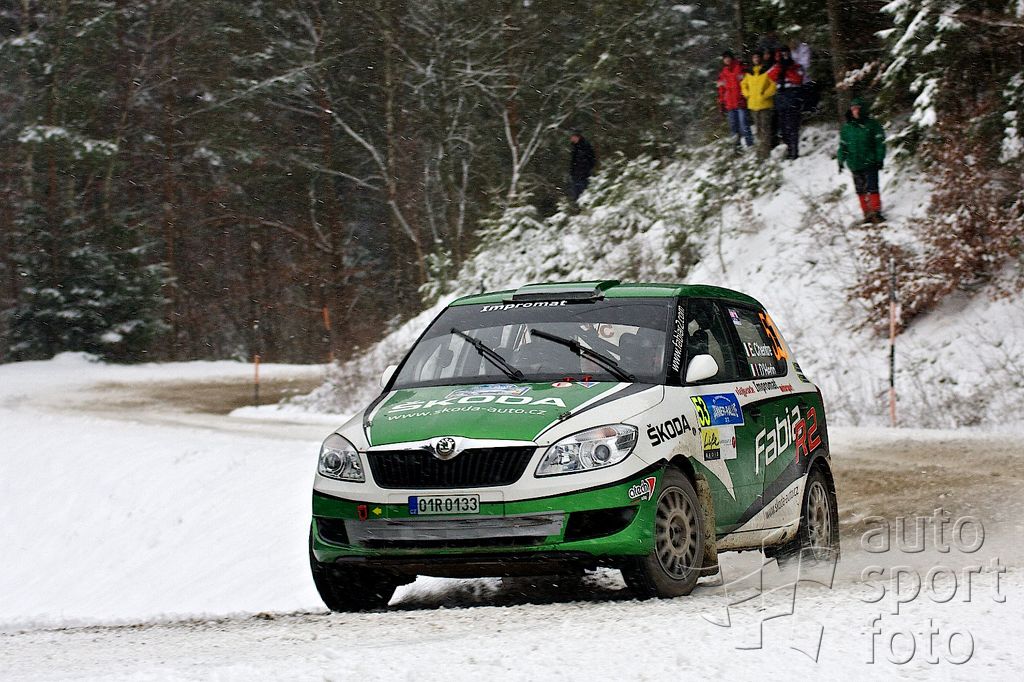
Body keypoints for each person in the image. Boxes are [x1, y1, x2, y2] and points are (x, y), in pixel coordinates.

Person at [838, 96, 887, 222]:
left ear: (862, 109)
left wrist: (880, 158)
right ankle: (867, 213)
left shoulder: (872, 125)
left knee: (872, 188)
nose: (855, 111)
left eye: (857, 108)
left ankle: (876, 212)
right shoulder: (847, 128)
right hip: (855, 163)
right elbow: (843, 146)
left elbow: (880, 143)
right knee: (860, 190)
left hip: (870, 162)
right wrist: (840, 160)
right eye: (853, 108)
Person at [768, 48, 804, 159]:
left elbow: (798, 79)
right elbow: (770, 75)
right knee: (783, 128)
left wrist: (787, 69)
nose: (784, 56)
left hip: (792, 98)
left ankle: (794, 152)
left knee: (792, 127)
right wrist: (780, 66)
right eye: (782, 54)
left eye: (786, 54)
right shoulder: (777, 67)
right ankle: (789, 148)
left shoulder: (796, 66)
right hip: (781, 100)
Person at [741, 52, 777, 159]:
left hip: (765, 105)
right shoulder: (749, 72)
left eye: (757, 57)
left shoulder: (767, 70)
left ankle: (765, 153)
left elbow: (773, 85)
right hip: (753, 105)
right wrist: (747, 94)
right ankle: (761, 151)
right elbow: (743, 85)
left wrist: (765, 94)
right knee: (758, 131)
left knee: (765, 129)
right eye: (754, 57)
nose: (756, 59)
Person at [717, 51, 753, 152]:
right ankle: (737, 148)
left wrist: (745, 96)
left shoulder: (740, 68)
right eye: (725, 58)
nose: (727, 60)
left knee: (744, 125)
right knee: (733, 127)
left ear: (731, 58)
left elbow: (747, 83)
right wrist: (721, 102)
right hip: (729, 104)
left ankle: (750, 145)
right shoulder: (722, 73)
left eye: (728, 57)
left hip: (740, 102)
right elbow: (721, 90)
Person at [568, 132, 596, 201]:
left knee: (582, 192)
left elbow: (591, 158)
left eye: (572, 137)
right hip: (576, 174)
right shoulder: (575, 147)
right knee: (576, 192)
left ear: (577, 137)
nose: (571, 139)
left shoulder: (585, 146)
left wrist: (586, 168)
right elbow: (574, 161)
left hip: (583, 174)